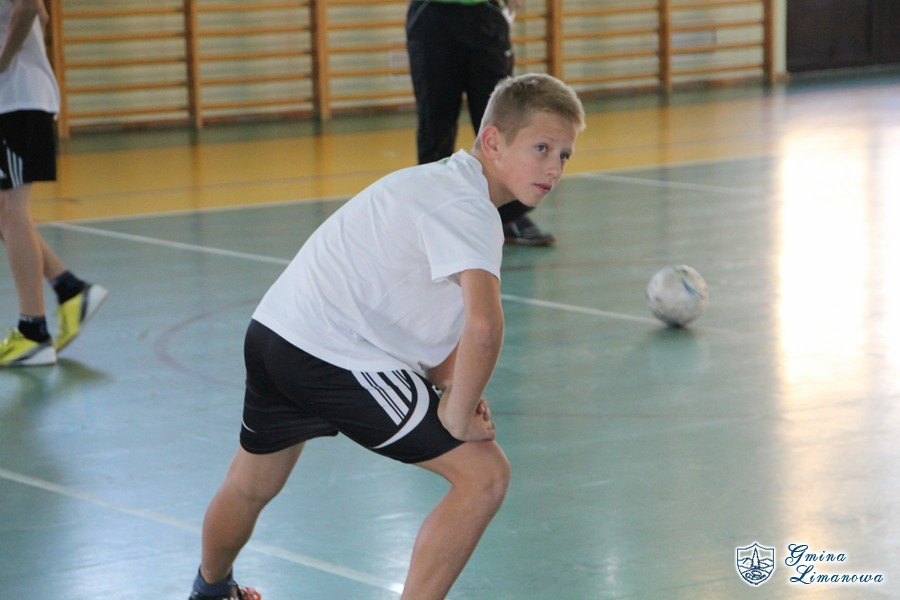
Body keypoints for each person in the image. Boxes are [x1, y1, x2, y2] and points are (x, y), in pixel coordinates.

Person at [187, 73, 585, 600]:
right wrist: (457, 414)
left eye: (564, 155)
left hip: (276, 333)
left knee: (250, 484)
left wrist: (454, 385)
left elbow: (419, 315)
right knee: (484, 476)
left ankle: (211, 590)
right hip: (333, 354)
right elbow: (484, 326)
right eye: (541, 148)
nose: (554, 167)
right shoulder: (470, 210)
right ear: (492, 142)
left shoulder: (438, 183)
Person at [0, 0, 107, 368]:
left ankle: (33, 333)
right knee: (3, 212)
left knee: (11, 211)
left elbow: (32, 6)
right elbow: (42, 14)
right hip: (13, 101)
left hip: (17, 100)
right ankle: (70, 289)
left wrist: (4, 60)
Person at [406, 0, 558, 247]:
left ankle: (509, 216)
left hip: (484, 13)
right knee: (435, 124)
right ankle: (434, 219)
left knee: (502, 121)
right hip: (432, 14)